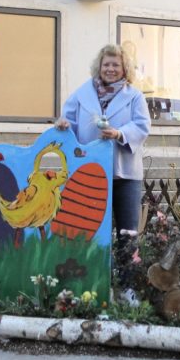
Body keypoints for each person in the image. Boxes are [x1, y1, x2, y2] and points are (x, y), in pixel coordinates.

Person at [57, 44, 152, 237]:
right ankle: (97, 267)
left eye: (116, 65)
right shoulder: (81, 94)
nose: (110, 69)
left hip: (124, 174)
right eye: (106, 64)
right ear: (99, 67)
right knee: (93, 231)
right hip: (90, 171)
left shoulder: (134, 96)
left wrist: (119, 134)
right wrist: (63, 125)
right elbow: (69, 122)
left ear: (124, 69)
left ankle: (128, 268)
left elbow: (142, 125)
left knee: (128, 231)